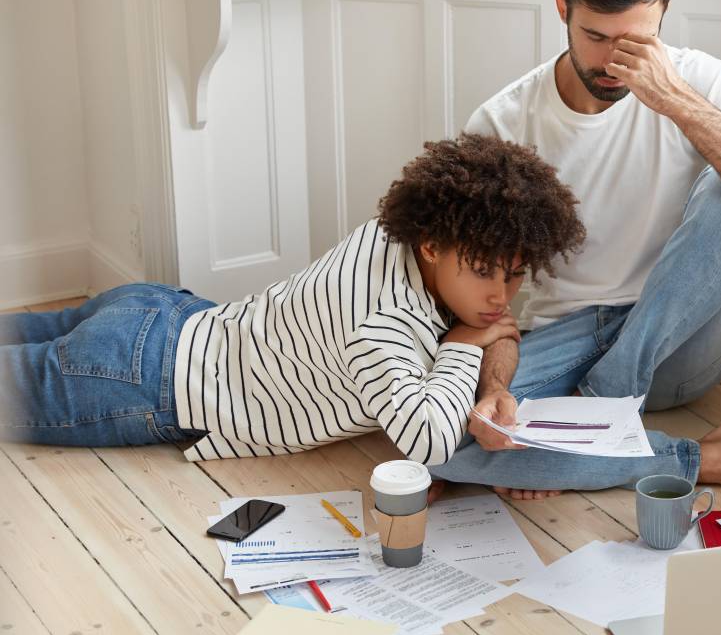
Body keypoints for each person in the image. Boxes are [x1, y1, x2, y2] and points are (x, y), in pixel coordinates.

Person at [434, 0, 721, 505]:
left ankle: (601, 412)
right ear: (562, 8)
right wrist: (494, 389)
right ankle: (712, 456)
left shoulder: (703, 83)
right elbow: (474, 298)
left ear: (664, 16)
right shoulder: (503, 123)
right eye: (594, 37)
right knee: (440, 442)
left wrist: (674, 100)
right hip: (568, 340)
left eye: (635, 41)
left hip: (679, 346)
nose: (611, 62)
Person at [0, 135, 586, 470]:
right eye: (484, 272)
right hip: (136, 379)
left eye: (513, 276)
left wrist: (484, 350)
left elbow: (500, 324)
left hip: (159, 312)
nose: (498, 295)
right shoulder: (377, 324)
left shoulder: (392, 236)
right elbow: (427, 440)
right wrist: (462, 344)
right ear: (432, 246)